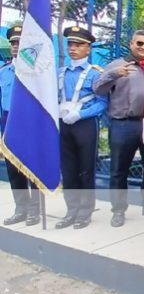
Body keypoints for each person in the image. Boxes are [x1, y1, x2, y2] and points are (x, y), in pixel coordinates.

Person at [93, 30, 144, 227]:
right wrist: (114, 75)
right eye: (139, 43)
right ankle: (118, 211)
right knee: (118, 169)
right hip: (123, 124)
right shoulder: (117, 65)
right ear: (132, 44)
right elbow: (98, 88)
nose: (143, 48)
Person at [56, 26, 108, 229]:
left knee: (85, 169)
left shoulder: (95, 74)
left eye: (79, 45)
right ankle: (71, 210)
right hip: (64, 124)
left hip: (85, 124)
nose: (73, 48)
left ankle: (85, 211)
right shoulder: (61, 73)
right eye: (70, 44)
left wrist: (80, 113)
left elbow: (102, 102)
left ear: (88, 49)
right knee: (68, 169)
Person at [1, 26, 40, 226]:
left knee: (31, 168)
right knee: (13, 169)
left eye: (20, 43)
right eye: (13, 43)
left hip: (29, 122)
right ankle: (21, 208)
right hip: (7, 122)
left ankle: (35, 210)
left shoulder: (35, 72)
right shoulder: (4, 71)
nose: (16, 47)